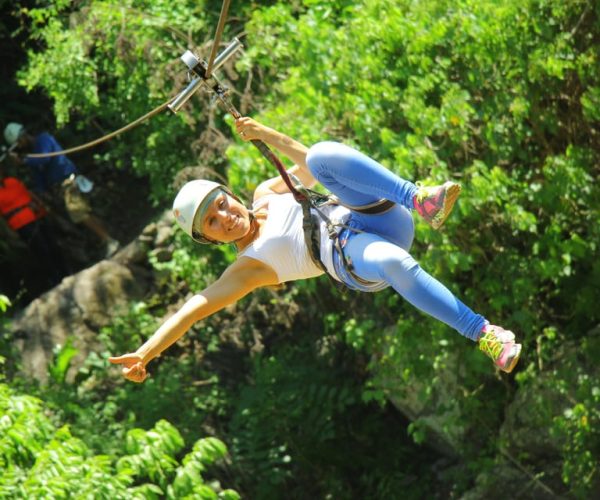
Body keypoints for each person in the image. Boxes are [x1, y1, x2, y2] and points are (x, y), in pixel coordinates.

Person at [109, 117, 522, 383]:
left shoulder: (265, 193)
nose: (225, 217)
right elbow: (192, 309)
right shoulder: (248, 268)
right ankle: (485, 335)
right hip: (351, 253)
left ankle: (419, 199)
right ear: (209, 239)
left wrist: (267, 135)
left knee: (323, 153)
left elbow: (313, 165)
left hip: (379, 215)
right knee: (394, 261)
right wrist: (147, 353)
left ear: (230, 195)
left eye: (221, 204)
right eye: (212, 223)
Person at [3, 122, 120, 258]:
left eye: (19, 143)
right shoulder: (33, 155)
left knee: (78, 212)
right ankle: (105, 239)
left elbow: (45, 158)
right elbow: (39, 178)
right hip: (60, 188)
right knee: (82, 214)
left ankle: (109, 241)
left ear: (22, 136)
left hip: (69, 181)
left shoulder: (43, 140)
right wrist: (41, 195)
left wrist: (24, 161)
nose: (21, 146)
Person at [0, 163, 69, 288]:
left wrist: (40, 204)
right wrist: (9, 232)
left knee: (53, 244)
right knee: (42, 251)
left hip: (36, 214)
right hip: (21, 223)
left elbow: (28, 193)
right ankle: (55, 278)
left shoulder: (12, 181)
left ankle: (66, 272)